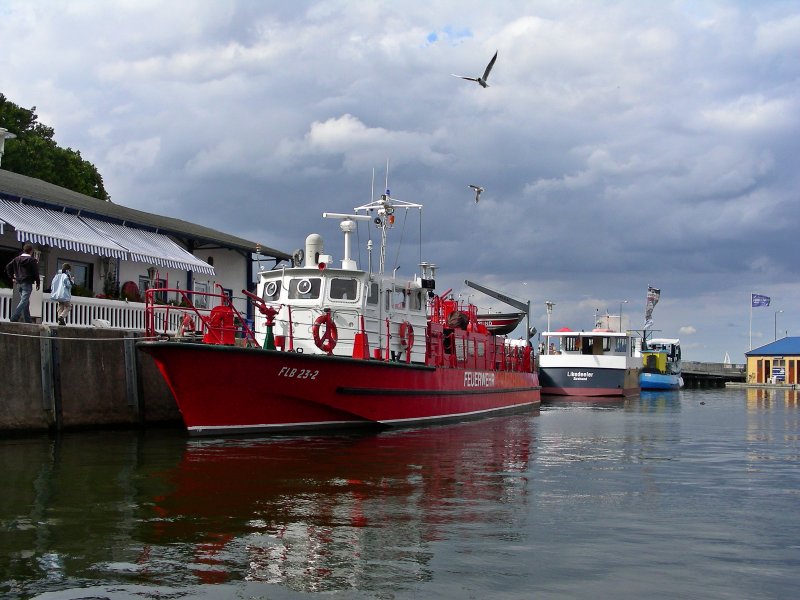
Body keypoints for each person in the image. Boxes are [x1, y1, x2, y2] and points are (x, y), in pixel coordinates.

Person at [5, 242, 41, 323]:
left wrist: (12, 277)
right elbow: (36, 272)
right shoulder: (32, 260)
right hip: (27, 282)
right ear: (31, 251)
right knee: (24, 300)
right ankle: (15, 316)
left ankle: (28, 319)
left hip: (18, 282)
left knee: (25, 301)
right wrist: (38, 283)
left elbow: (8, 267)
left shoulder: (17, 259)